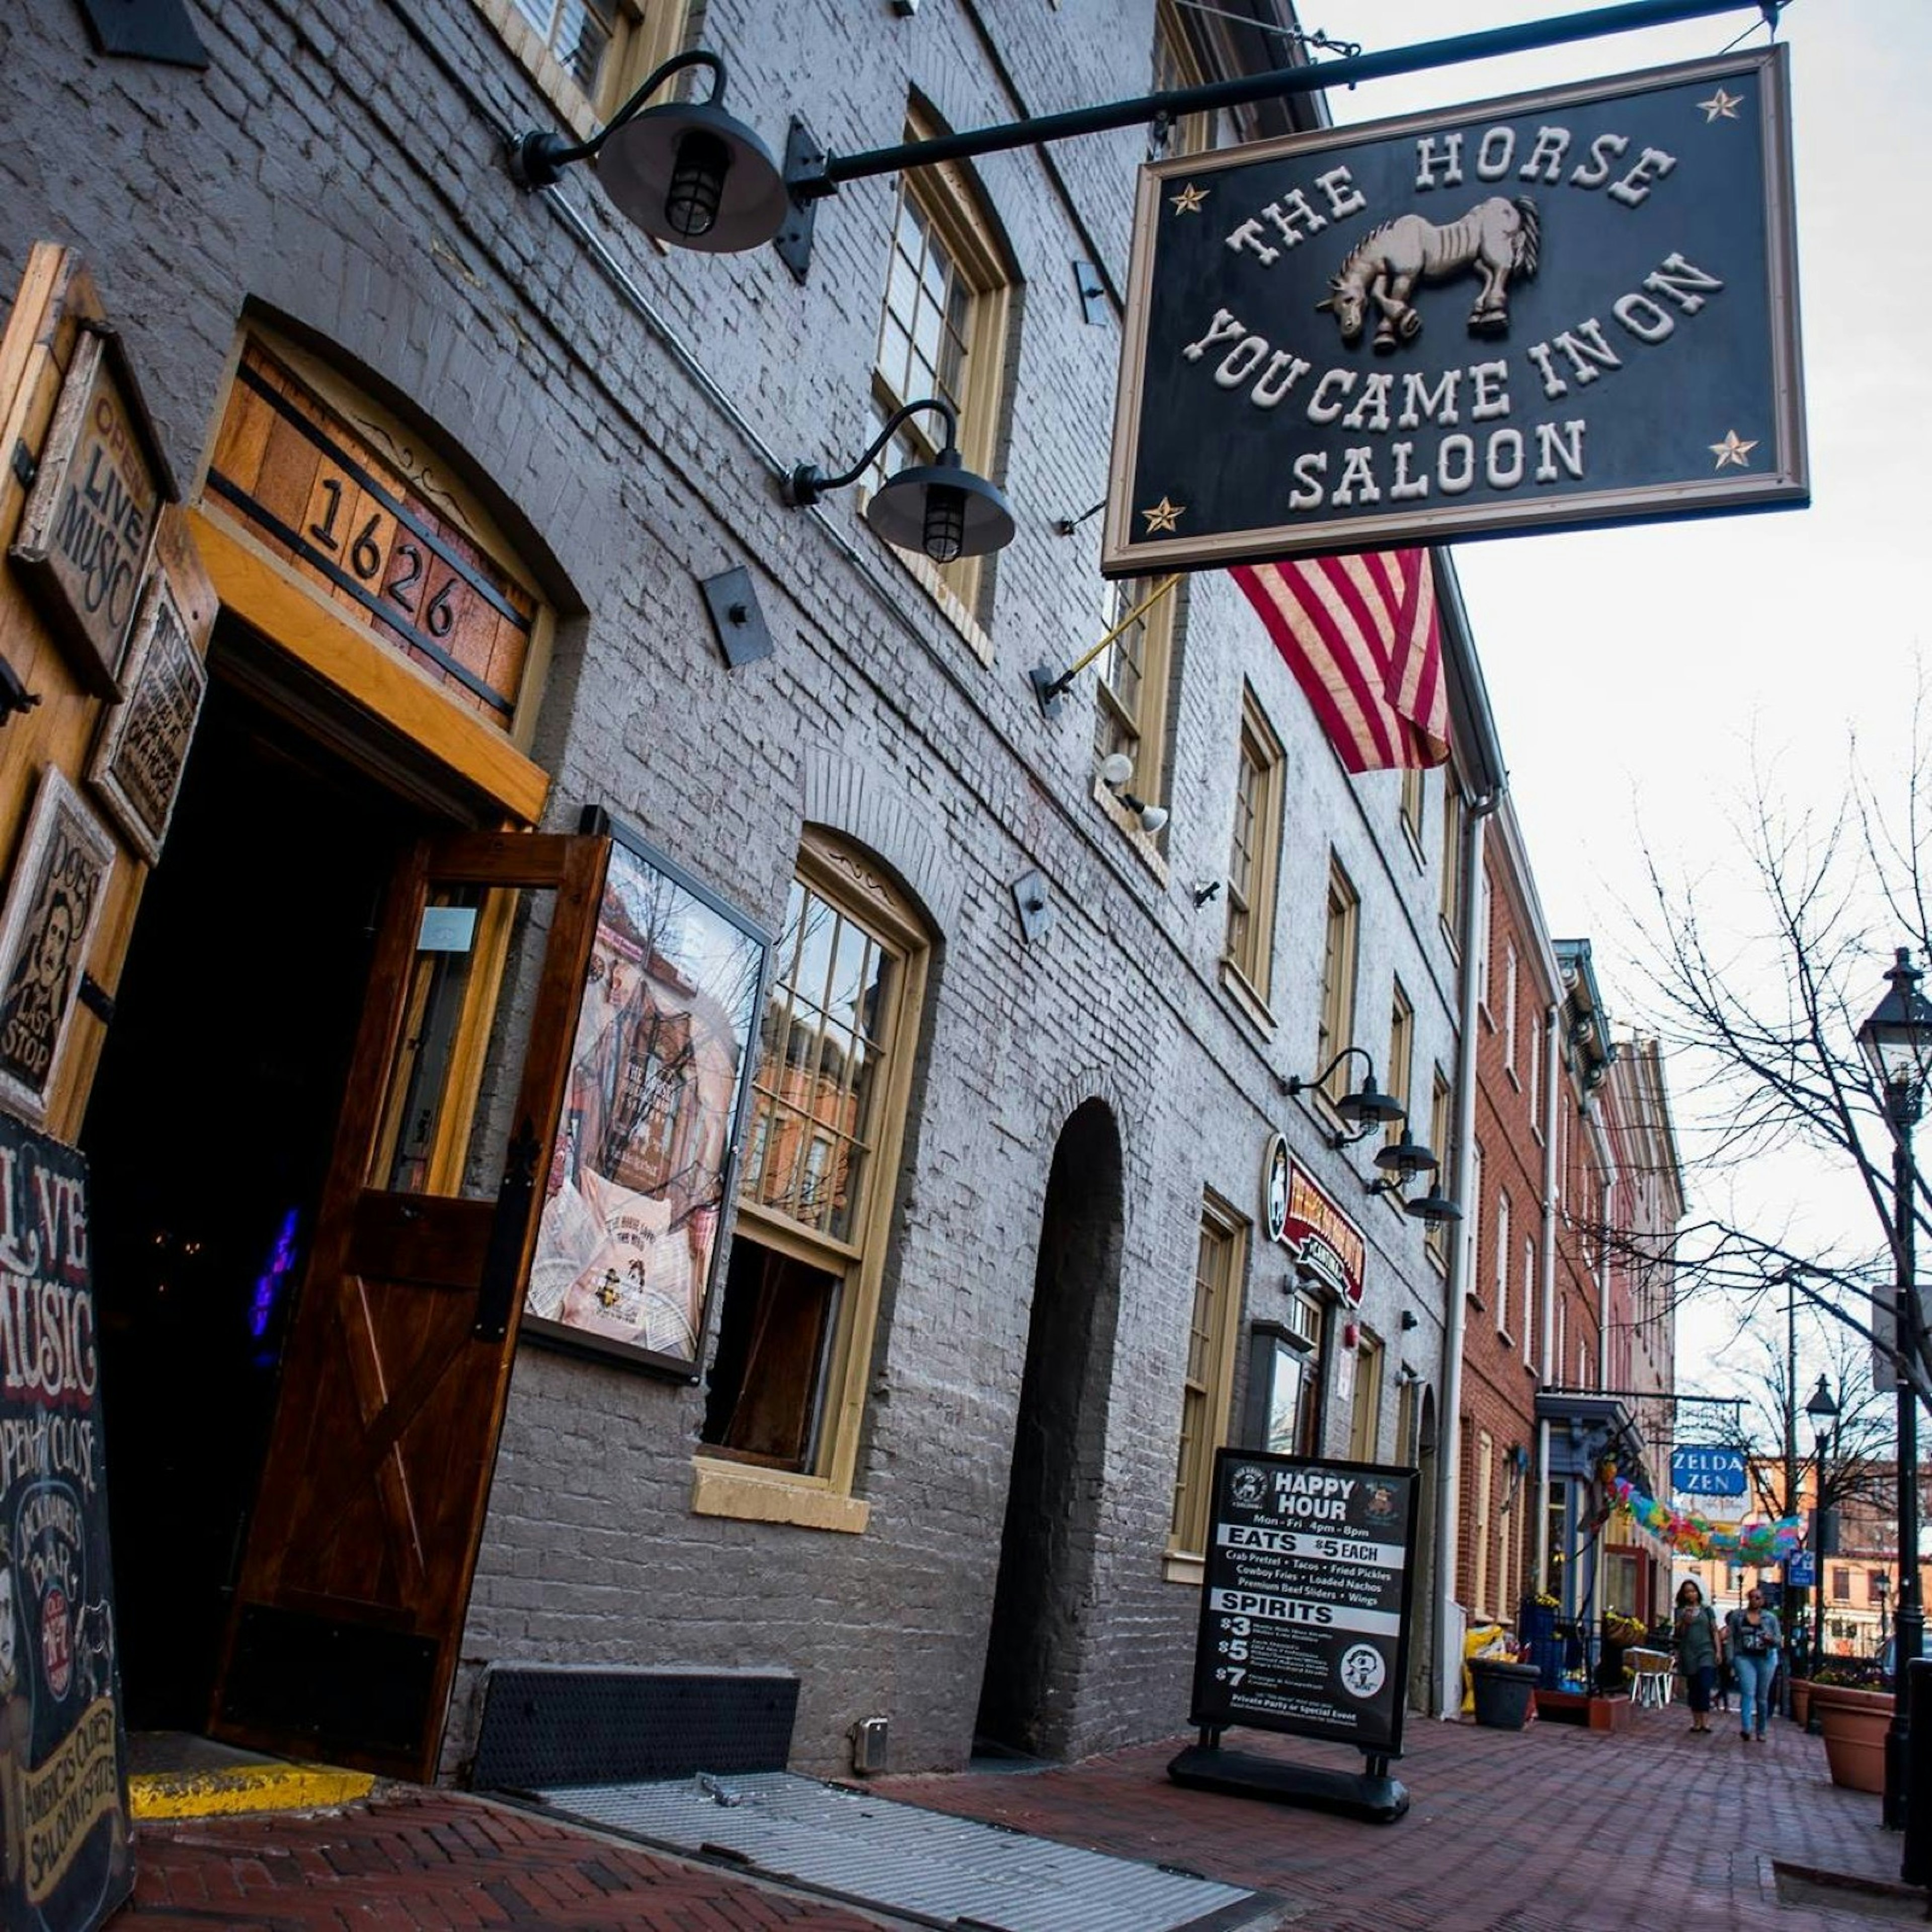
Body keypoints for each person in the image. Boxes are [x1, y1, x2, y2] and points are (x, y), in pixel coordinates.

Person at [1727, 1585, 1783, 1742]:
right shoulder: (1738, 1617)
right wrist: (1730, 1658)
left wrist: (1770, 1640)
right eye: (1752, 1597)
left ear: (1763, 1601)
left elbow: (1779, 1641)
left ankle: (1761, 1730)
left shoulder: (1770, 1618)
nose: (1754, 1600)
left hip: (1766, 1658)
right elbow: (1732, 1638)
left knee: (1762, 1697)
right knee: (1747, 1692)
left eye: (1758, 1598)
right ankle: (1746, 1728)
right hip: (1744, 1658)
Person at [1673, 1577, 1723, 1734]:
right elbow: (1679, 1634)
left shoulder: (1707, 1610)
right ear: (1683, 1595)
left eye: (1693, 1591)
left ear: (1698, 1593)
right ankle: (1696, 1721)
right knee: (1694, 1687)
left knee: (1705, 1684)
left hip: (1706, 1651)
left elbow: (1714, 1631)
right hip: (1689, 1652)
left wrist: (1719, 1651)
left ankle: (1706, 1722)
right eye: (1687, 1592)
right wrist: (1685, 1622)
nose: (1691, 1595)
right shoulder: (1680, 1612)